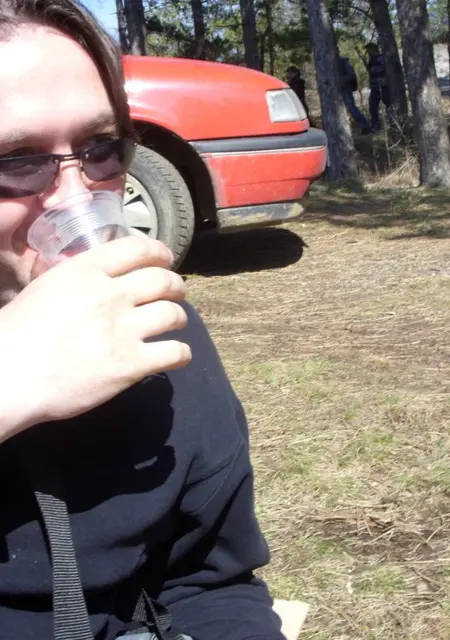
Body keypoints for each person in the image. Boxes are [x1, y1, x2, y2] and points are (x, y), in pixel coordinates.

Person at [0, 1, 284, 639]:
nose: (78, 199)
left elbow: (207, 577)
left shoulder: (153, 326)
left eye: (100, 149)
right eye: (16, 160)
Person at [338, 55, 371, 134]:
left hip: (346, 88)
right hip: (337, 90)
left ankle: (365, 126)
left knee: (351, 108)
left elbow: (351, 74)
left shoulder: (343, 61)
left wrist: (340, 79)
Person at [365, 43, 392, 132]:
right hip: (375, 87)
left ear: (373, 49)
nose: (368, 52)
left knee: (389, 105)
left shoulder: (382, 58)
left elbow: (387, 71)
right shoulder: (371, 60)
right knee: (372, 106)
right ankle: (376, 125)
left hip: (383, 86)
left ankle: (393, 123)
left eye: (368, 50)